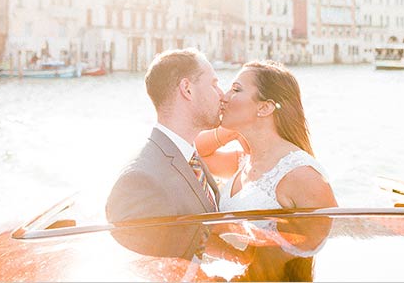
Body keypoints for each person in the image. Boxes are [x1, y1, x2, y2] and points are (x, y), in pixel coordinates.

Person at [195, 60, 337, 212]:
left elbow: (332, 232)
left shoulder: (302, 174)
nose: (223, 96)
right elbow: (195, 155)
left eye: (236, 90)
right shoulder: (245, 162)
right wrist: (231, 132)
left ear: (264, 107)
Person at [105, 48, 223, 225]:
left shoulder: (190, 157)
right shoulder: (139, 180)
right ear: (187, 89)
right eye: (214, 85)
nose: (222, 94)